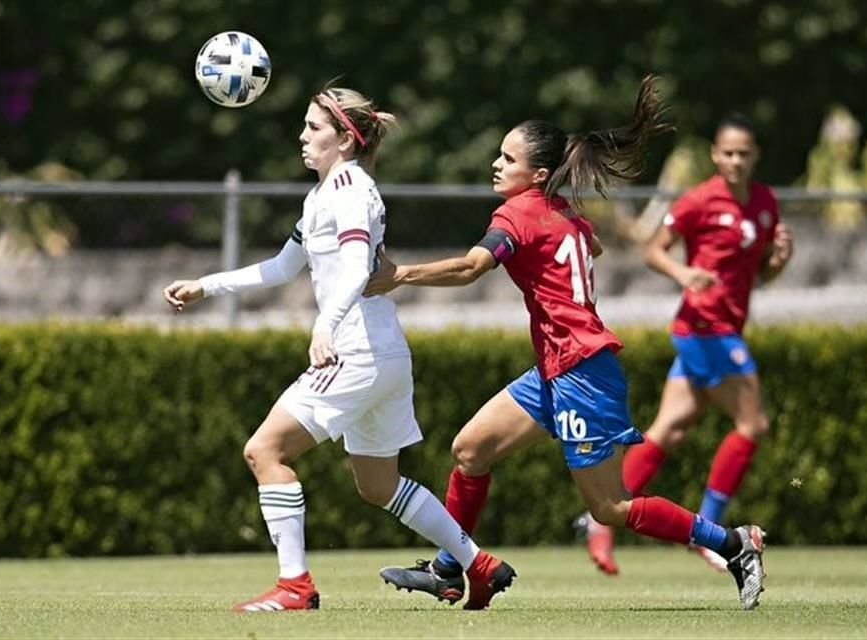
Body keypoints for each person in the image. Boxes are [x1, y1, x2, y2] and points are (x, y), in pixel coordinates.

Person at [365, 78, 767, 611]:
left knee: (610, 508)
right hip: (558, 370)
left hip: (581, 371)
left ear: (535, 175)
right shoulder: (562, 213)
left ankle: (734, 545)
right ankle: (448, 570)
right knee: (469, 450)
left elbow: (470, 268)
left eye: (508, 158)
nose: (496, 164)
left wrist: (400, 275)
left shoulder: (520, 212)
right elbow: (591, 247)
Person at [162, 84, 515, 613]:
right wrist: (207, 285)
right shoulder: (325, 194)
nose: (302, 137)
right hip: (383, 353)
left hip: (356, 351)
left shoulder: (349, 189)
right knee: (380, 486)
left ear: (345, 140)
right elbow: (283, 267)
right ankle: (478, 564)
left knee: (264, 452)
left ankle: (294, 586)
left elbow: (354, 267)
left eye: (313, 128)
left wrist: (325, 325)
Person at [577, 112, 794, 576]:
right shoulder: (699, 200)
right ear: (716, 155)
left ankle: (599, 520)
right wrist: (684, 274)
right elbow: (653, 249)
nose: (735, 160)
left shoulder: (764, 202)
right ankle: (710, 529)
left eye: (744, 153)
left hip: (725, 328)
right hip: (704, 328)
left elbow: (762, 275)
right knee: (753, 423)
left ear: (755, 156)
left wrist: (780, 259)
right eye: (728, 152)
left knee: (668, 429)